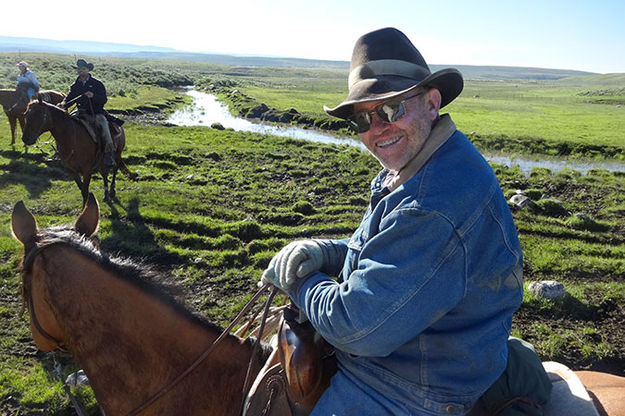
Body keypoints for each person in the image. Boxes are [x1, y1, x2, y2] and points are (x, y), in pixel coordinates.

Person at [261, 27, 524, 415]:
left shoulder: (432, 203)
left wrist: (299, 280)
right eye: (362, 119)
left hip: (409, 386)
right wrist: (325, 254)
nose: (377, 130)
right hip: (417, 351)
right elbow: (384, 250)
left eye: (389, 109)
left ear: (432, 102)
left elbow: (358, 327)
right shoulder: (420, 163)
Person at [58, 59, 116, 167]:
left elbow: (103, 99)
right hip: (80, 112)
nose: (81, 71)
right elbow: (70, 97)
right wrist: (63, 103)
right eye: (79, 69)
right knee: (65, 126)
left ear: (88, 70)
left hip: (96, 113)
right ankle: (61, 152)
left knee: (105, 129)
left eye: (83, 69)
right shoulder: (75, 85)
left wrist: (93, 96)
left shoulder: (97, 84)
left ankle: (109, 154)